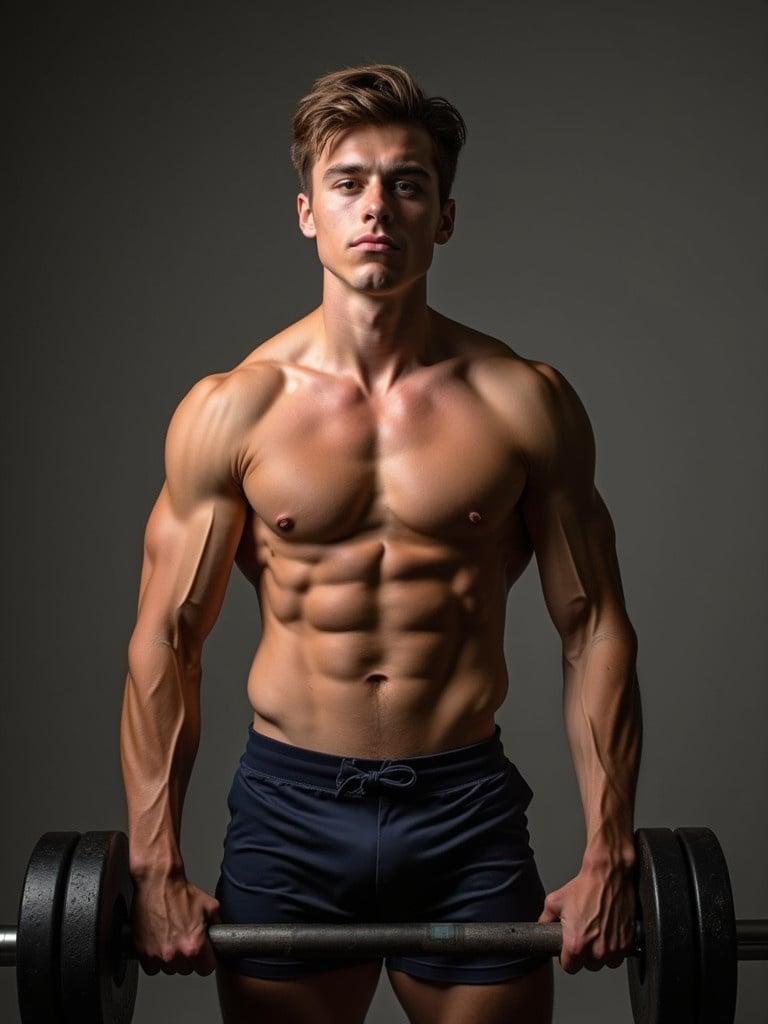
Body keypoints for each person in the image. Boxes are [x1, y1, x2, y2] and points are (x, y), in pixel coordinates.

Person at [119, 63, 642, 1024]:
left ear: (443, 215)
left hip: (463, 813)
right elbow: (166, 640)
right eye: (348, 181)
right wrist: (153, 863)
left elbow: (594, 625)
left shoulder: (524, 401)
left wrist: (611, 851)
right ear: (307, 212)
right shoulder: (233, 410)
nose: (378, 207)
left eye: (408, 183)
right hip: (289, 813)